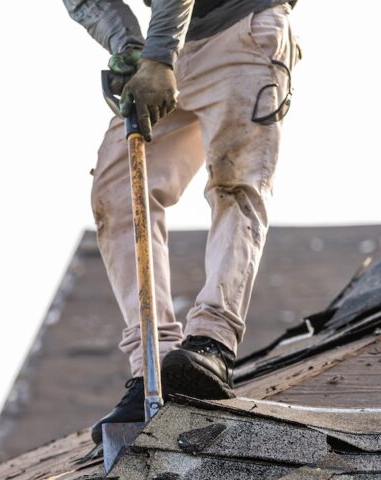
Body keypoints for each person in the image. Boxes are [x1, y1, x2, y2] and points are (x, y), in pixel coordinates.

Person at [63, 0, 299, 443]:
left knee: (236, 181)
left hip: (241, 24)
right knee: (116, 194)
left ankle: (212, 343)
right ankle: (153, 363)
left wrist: (155, 58)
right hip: (170, 43)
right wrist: (132, 50)